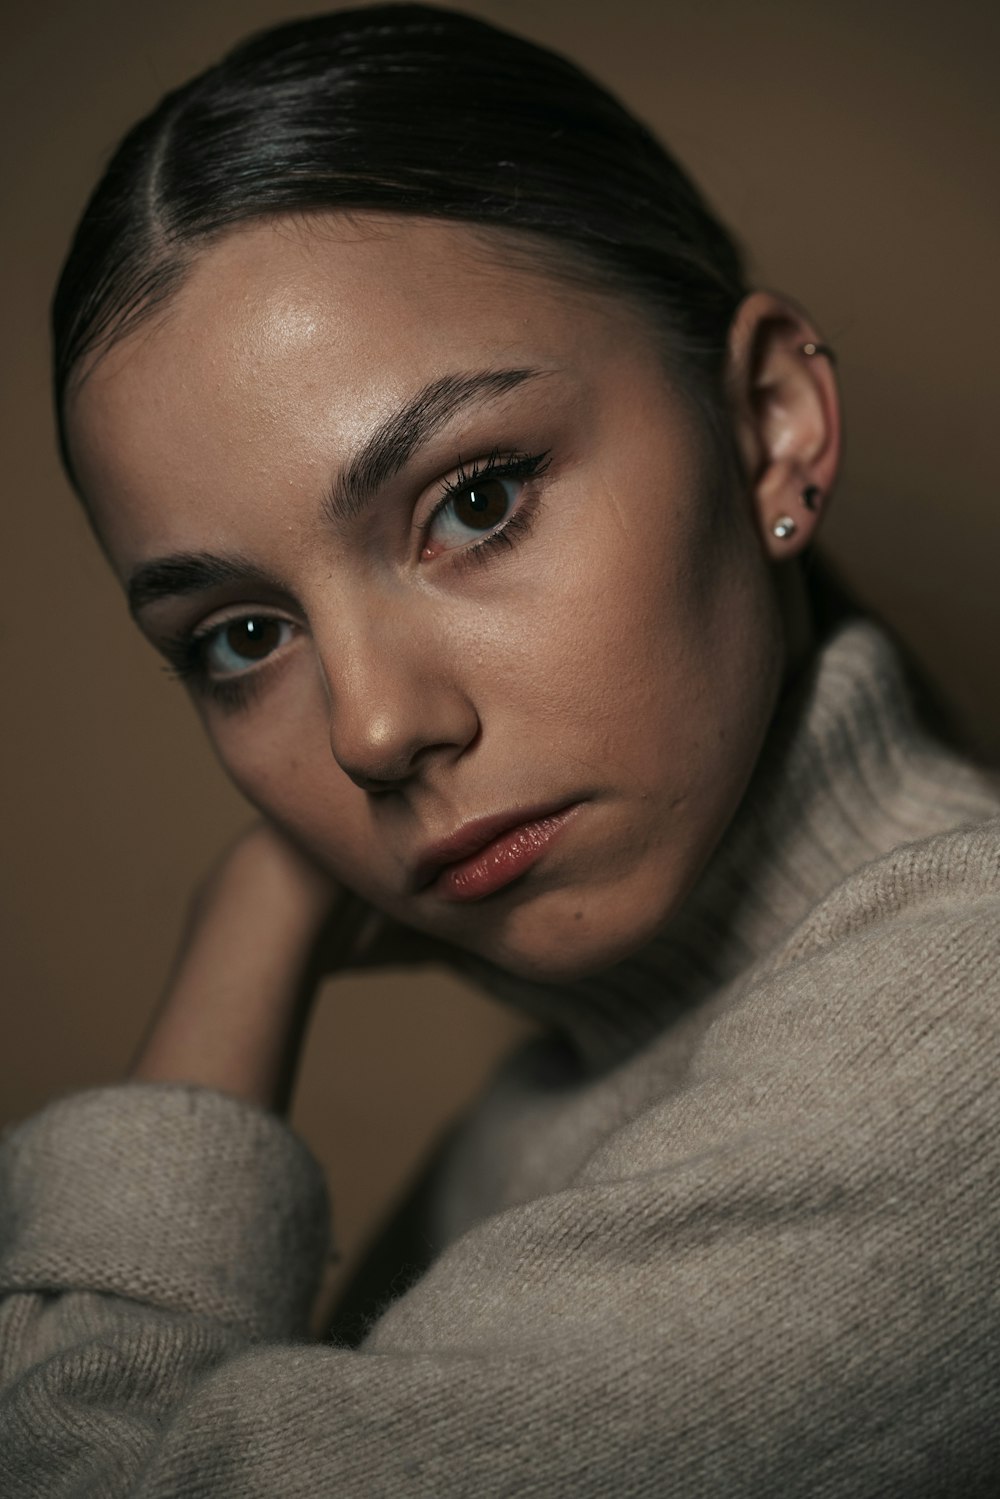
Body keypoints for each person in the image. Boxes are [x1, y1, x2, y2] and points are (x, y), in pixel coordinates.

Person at [2, 4, 998, 1493]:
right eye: (242, 638)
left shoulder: (955, 1033)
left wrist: (248, 929)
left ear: (774, 422)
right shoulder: (585, 1092)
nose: (375, 728)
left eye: (475, 501)